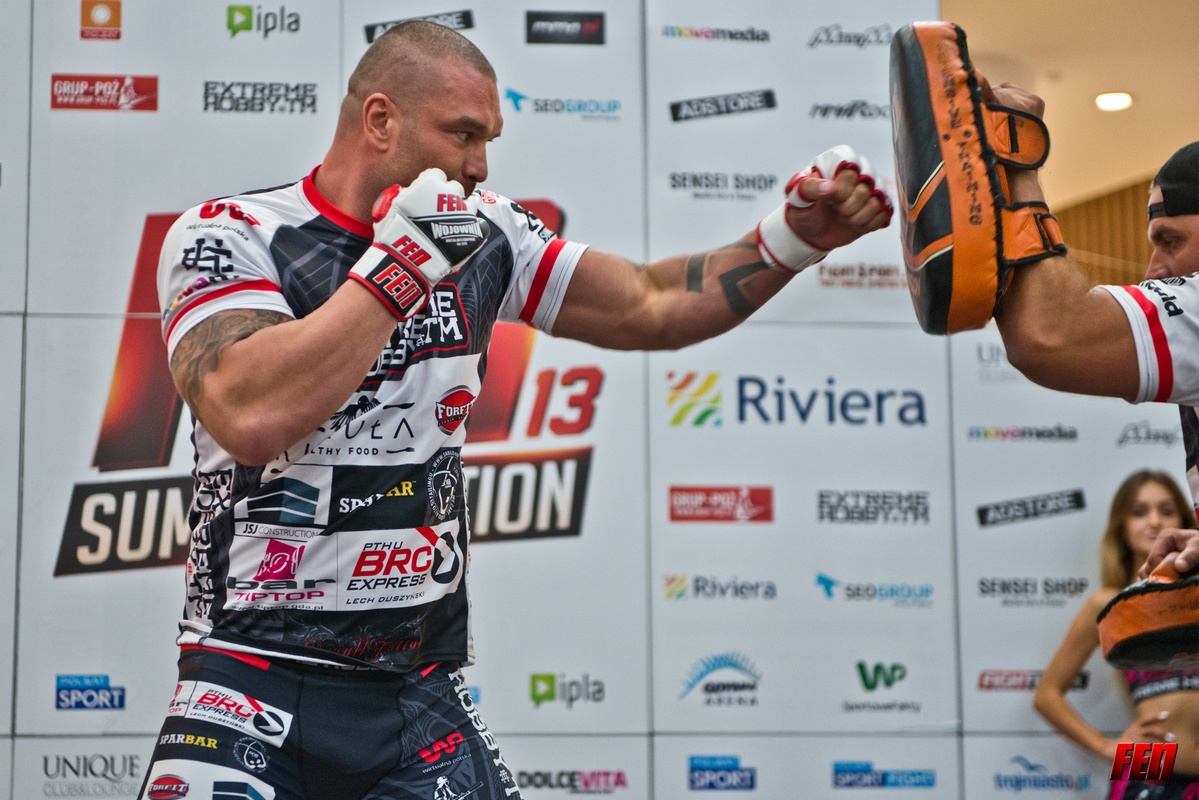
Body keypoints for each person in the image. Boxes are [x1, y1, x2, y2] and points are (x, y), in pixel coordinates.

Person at [144, 20, 892, 800]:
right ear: (380, 120)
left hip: (414, 692)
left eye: (488, 141)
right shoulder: (232, 232)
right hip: (245, 675)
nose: (479, 166)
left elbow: (649, 303)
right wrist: (401, 266)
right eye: (462, 134)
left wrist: (788, 241)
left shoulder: (485, 232)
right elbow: (250, 414)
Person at [1033, 471, 1199, 800]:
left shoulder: (1195, 598)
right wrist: (1107, 747)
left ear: (1183, 520)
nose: (1154, 521)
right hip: (1148, 770)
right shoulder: (1111, 605)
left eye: (1166, 510)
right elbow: (1046, 695)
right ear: (1121, 527)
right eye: (1139, 512)